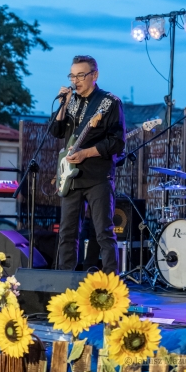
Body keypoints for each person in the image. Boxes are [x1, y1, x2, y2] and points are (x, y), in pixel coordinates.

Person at [50, 55, 126, 275]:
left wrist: (86, 153)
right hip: (71, 178)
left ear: (95, 75)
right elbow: (56, 131)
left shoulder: (110, 102)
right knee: (67, 232)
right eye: (72, 76)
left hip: (98, 176)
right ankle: (65, 281)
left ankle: (112, 281)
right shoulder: (70, 100)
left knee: (103, 231)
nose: (76, 80)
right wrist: (63, 105)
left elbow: (117, 142)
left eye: (81, 75)